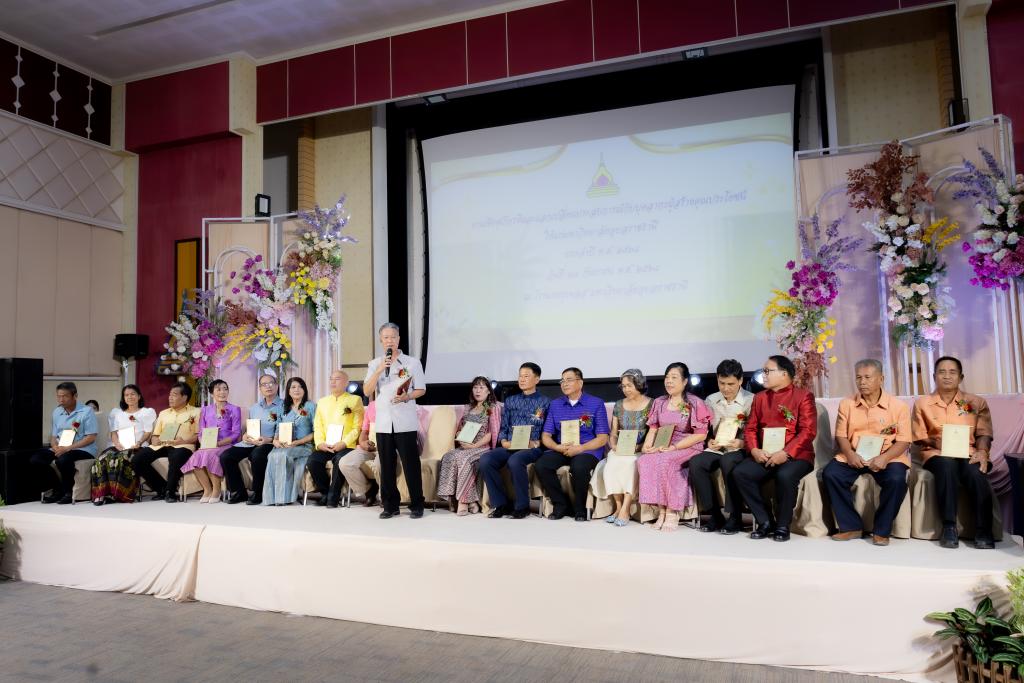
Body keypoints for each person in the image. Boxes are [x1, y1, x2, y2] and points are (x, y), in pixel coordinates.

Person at [822, 359, 912, 546]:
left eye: (867, 377)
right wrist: (850, 454)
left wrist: (884, 458)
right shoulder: (847, 404)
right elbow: (841, 436)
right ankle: (851, 527)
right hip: (855, 453)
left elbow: (904, 440)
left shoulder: (899, 406)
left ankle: (882, 531)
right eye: (858, 377)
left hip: (887, 455)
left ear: (881, 379)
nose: (862, 382)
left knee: (896, 479)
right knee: (831, 474)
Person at [730, 355, 817, 542]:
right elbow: (750, 429)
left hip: (796, 455)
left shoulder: (803, 396)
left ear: (784, 374)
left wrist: (786, 453)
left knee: (784, 475)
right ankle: (765, 521)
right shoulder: (760, 397)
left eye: (767, 371)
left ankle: (783, 525)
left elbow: (808, 431)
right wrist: (754, 450)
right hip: (766, 453)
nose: (764, 375)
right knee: (741, 473)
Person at [912, 356, 996, 549]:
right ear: (934, 376)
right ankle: (949, 526)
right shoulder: (922, 403)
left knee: (975, 473)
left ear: (961, 377)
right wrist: (934, 441)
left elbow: (984, 433)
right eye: (942, 372)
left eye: (952, 372)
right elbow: (918, 436)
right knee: (947, 466)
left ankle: (984, 530)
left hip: (968, 452)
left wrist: (982, 451)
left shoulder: (976, 402)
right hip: (936, 453)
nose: (947, 376)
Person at [637, 362, 712, 532]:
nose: (669, 381)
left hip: (689, 444)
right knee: (645, 461)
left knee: (666, 462)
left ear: (685, 381)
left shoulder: (695, 403)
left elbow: (701, 435)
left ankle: (672, 510)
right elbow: (653, 428)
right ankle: (661, 509)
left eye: (674, 377)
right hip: (664, 444)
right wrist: (647, 446)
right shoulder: (659, 402)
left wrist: (675, 447)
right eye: (667, 377)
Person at [363, 323, 426, 519]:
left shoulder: (412, 363)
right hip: (383, 421)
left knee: (410, 464)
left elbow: (421, 389)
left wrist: (407, 397)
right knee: (386, 465)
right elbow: (367, 391)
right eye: (386, 337)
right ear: (381, 340)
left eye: (393, 337)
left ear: (399, 339)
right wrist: (379, 370)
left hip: (405, 420)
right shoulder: (375, 363)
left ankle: (417, 504)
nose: (390, 341)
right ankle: (390, 505)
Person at [535, 367, 609, 521]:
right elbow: (546, 435)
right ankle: (560, 504)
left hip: (587, 449)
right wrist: (557, 447)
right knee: (542, 464)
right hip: (562, 448)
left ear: (580, 383)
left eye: (569, 380)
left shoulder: (596, 403)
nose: (564, 383)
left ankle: (580, 508)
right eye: (562, 380)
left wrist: (580, 448)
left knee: (579, 467)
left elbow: (602, 438)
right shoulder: (555, 404)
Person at [479, 362, 551, 519]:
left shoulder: (545, 402)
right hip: (511, 444)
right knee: (486, 460)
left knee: (515, 460)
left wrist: (536, 443)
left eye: (526, 376)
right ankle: (501, 504)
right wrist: (504, 441)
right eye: (520, 376)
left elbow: (548, 430)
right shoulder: (511, 401)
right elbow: (504, 426)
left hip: (533, 447)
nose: (522, 379)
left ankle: (522, 506)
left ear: (537, 379)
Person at [688, 359, 753, 532]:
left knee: (728, 461)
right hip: (717, 448)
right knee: (696, 463)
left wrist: (742, 442)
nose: (726, 388)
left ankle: (735, 516)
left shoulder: (751, 400)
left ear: (740, 380)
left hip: (740, 448)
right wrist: (708, 440)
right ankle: (714, 515)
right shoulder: (711, 400)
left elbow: (756, 431)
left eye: (730, 384)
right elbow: (705, 429)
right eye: (721, 383)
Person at [590, 369, 651, 527]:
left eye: (629, 385)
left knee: (630, 464)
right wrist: (614, 445)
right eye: (623, 386)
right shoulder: (618, 404)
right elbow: (613, 433)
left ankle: (626, 508)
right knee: (611, 464)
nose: (626, 389)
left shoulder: (652, 404)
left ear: (639, 384)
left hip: (641, 449)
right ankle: (618, 507)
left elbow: (653, 431)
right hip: (621, 448)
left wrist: (639, 446)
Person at [436, 377, 501, 515]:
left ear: (488, 391)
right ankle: (455, 500)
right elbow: (460, 428)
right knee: (448, 456)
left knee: (463, 459)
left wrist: (475, 445)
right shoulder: (468, 408)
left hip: (482, 447)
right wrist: (460, 436)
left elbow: (491, 433)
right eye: (475, 387)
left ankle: (463, 501)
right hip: (465, 446)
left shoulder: (492, 408)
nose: (478, 391)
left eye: (481, 388)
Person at [219, 372, 284, 505]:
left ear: (277, 386)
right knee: (226, 456)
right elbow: (249, 427)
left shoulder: (284, 406)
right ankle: (239, 492)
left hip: (269, 443)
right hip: (250, 442)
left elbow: (282, 429)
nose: (268, 386)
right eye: (264, 384)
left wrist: (268, 439)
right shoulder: (255, 407)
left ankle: (258, 492)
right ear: (260, 389)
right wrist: (245, 436)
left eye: (271, 383)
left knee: (257, 455)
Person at [30, 382, 99, 504]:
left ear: (75, 396)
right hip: (61, 448)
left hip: (83, 449)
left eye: (65, 396)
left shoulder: (86, 411)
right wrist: (55, 447)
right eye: (59, 396)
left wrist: (68, 448)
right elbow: (53, 436)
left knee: (63, 460)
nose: (61, 399)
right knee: (36, 459)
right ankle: (57, 489)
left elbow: (91, 437)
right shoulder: (57, 412)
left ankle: (69, 492)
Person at [131, 382, 201, 503]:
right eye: (170, 395)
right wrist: (155, 440)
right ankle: (161, 488)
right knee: (137, 460)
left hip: (183, 445)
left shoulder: (196, 412)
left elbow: (198, 435)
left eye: (174, 395)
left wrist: (184, 441)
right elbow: (155, 435)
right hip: (162, 445)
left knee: (176, 457)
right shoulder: (163, 413)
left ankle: (170, 491)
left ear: (184, 397)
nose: (170, 397)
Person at [90, 384, 157, 504]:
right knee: (102, 459)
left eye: (132, 394)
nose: (129, 397)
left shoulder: (146, 412)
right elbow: (113, 432)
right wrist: (116, 444)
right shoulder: (117, 414)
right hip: (119, 446)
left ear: (139, 396)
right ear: (123, 398)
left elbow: (148, 432)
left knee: (122, 458)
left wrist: (139, 442)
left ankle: (119, 494)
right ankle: (101, 493)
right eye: (126, 395)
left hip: (137, 446)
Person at [179, 379, 242, 503]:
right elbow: (201, 431)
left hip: (227, 444)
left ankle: (216, 490)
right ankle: (207, 489)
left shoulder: (235, 409)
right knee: (196, 456)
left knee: (210, 454)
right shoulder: (205, 410)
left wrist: (218, 443)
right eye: (219, 389)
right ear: (212, 393)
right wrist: (203, 442)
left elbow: (236, 433)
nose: (222, 392)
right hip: (208, 444)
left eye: (225, 389)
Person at [308, 370, 364, 507]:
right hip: (326, 445)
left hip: (346, 445)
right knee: (313, 461)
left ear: (346, 382)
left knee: (339, 460)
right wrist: (320, 443)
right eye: (331, 379)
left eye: (337, 379)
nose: (333, 382)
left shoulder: (355, 400)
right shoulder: (322, 402)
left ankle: (333, 498)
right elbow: (318, 426)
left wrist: (344, 443)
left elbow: (357, 427)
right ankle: (326, 493)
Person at [263, 377, 317, 505]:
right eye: (293, 387)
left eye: (300, 387)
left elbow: (316, 431)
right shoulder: (283, 407)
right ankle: (271, 498)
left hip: (304, 445)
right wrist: (275, 441)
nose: (297, 390)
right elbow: (278, 428)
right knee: (272, 455)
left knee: (283, 454)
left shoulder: (311, 406)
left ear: (304, 390)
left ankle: (284, 498)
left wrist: (298, 442)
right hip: (285, 444)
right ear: (288, 391)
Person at [335, 400, 379, 506]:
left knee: (380, 465)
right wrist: (363, 443)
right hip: (369, 447)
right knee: (345, 463)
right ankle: (369, 491)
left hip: (387, 448)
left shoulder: (400, 404)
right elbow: (364, 431)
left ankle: (386, 496)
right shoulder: (372, 405)